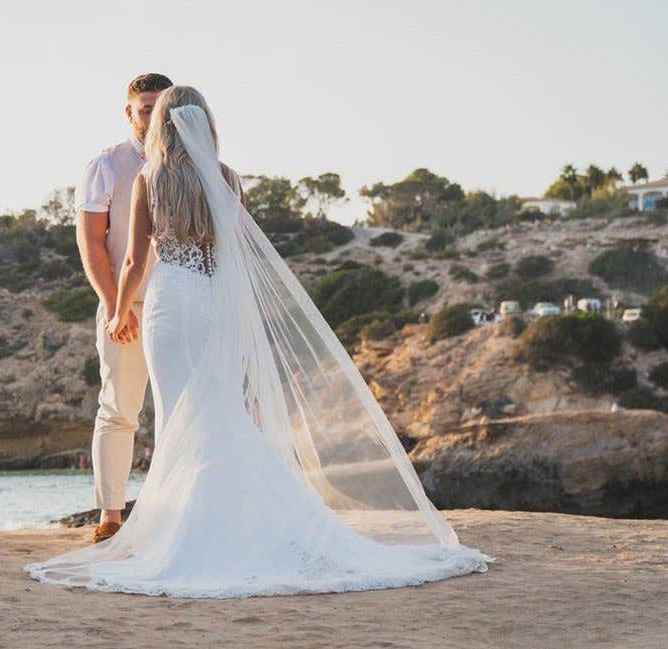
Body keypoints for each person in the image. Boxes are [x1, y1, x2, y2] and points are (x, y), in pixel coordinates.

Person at [25, 85, 491, 598]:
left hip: (169, 306)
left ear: (161, 125)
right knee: (219, 407)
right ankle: (242, 520)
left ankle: (187, 528)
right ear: (205, 124)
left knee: (179, 412)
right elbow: (234, 254)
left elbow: (135, 261)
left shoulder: (148, 180)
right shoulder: (226, 179)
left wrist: (117, 311)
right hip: (210, 301)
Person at [73, 73, 173, 544]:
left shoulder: (195, 165)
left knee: (185, 412)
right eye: (145, 107)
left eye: (161, 107)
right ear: (129, 113)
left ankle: (179, 511)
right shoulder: (106, 166)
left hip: (182, 306)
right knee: (118, 410)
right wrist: (116, 307)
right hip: (124, 306)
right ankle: (111, 517)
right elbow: (92, 244)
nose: (153, 116)